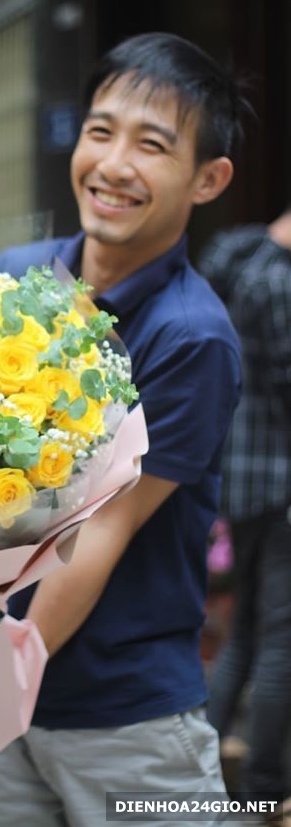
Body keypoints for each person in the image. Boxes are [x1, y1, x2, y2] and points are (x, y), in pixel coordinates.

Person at [0, 32, 248, 827]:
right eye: (100, 131)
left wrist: (7, 670)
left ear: (209, 179)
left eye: (152, 145)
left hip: (125, 720)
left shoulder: (191, 337)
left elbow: (105, 525)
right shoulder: (16, 274)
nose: (114, 164)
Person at [198, 212, 291, 805]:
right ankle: (265, 788)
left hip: (246, 476)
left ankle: (202, 775)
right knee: (282, 639)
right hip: (281, 481)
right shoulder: (279, 280)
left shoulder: (238, 264)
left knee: (248, 632)